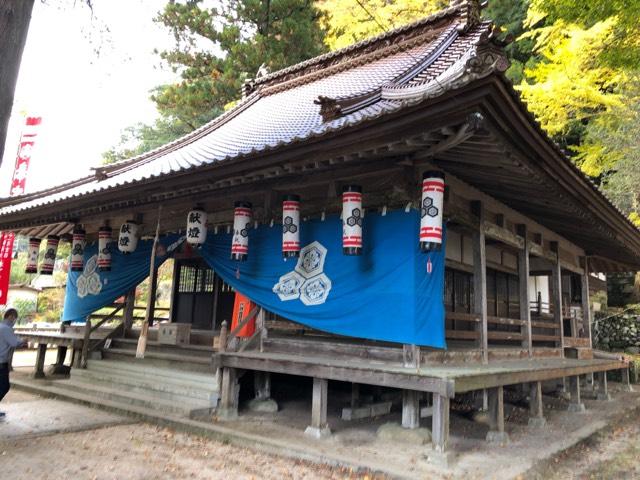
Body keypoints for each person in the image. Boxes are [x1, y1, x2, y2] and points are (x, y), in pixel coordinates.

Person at [0, 308, 26, 420]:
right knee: (4, 386)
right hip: (1, 362)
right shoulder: (6, 329)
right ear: (10, 317)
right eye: (15, 318)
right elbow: (14, 342)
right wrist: (24, 340)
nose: (15, 320)